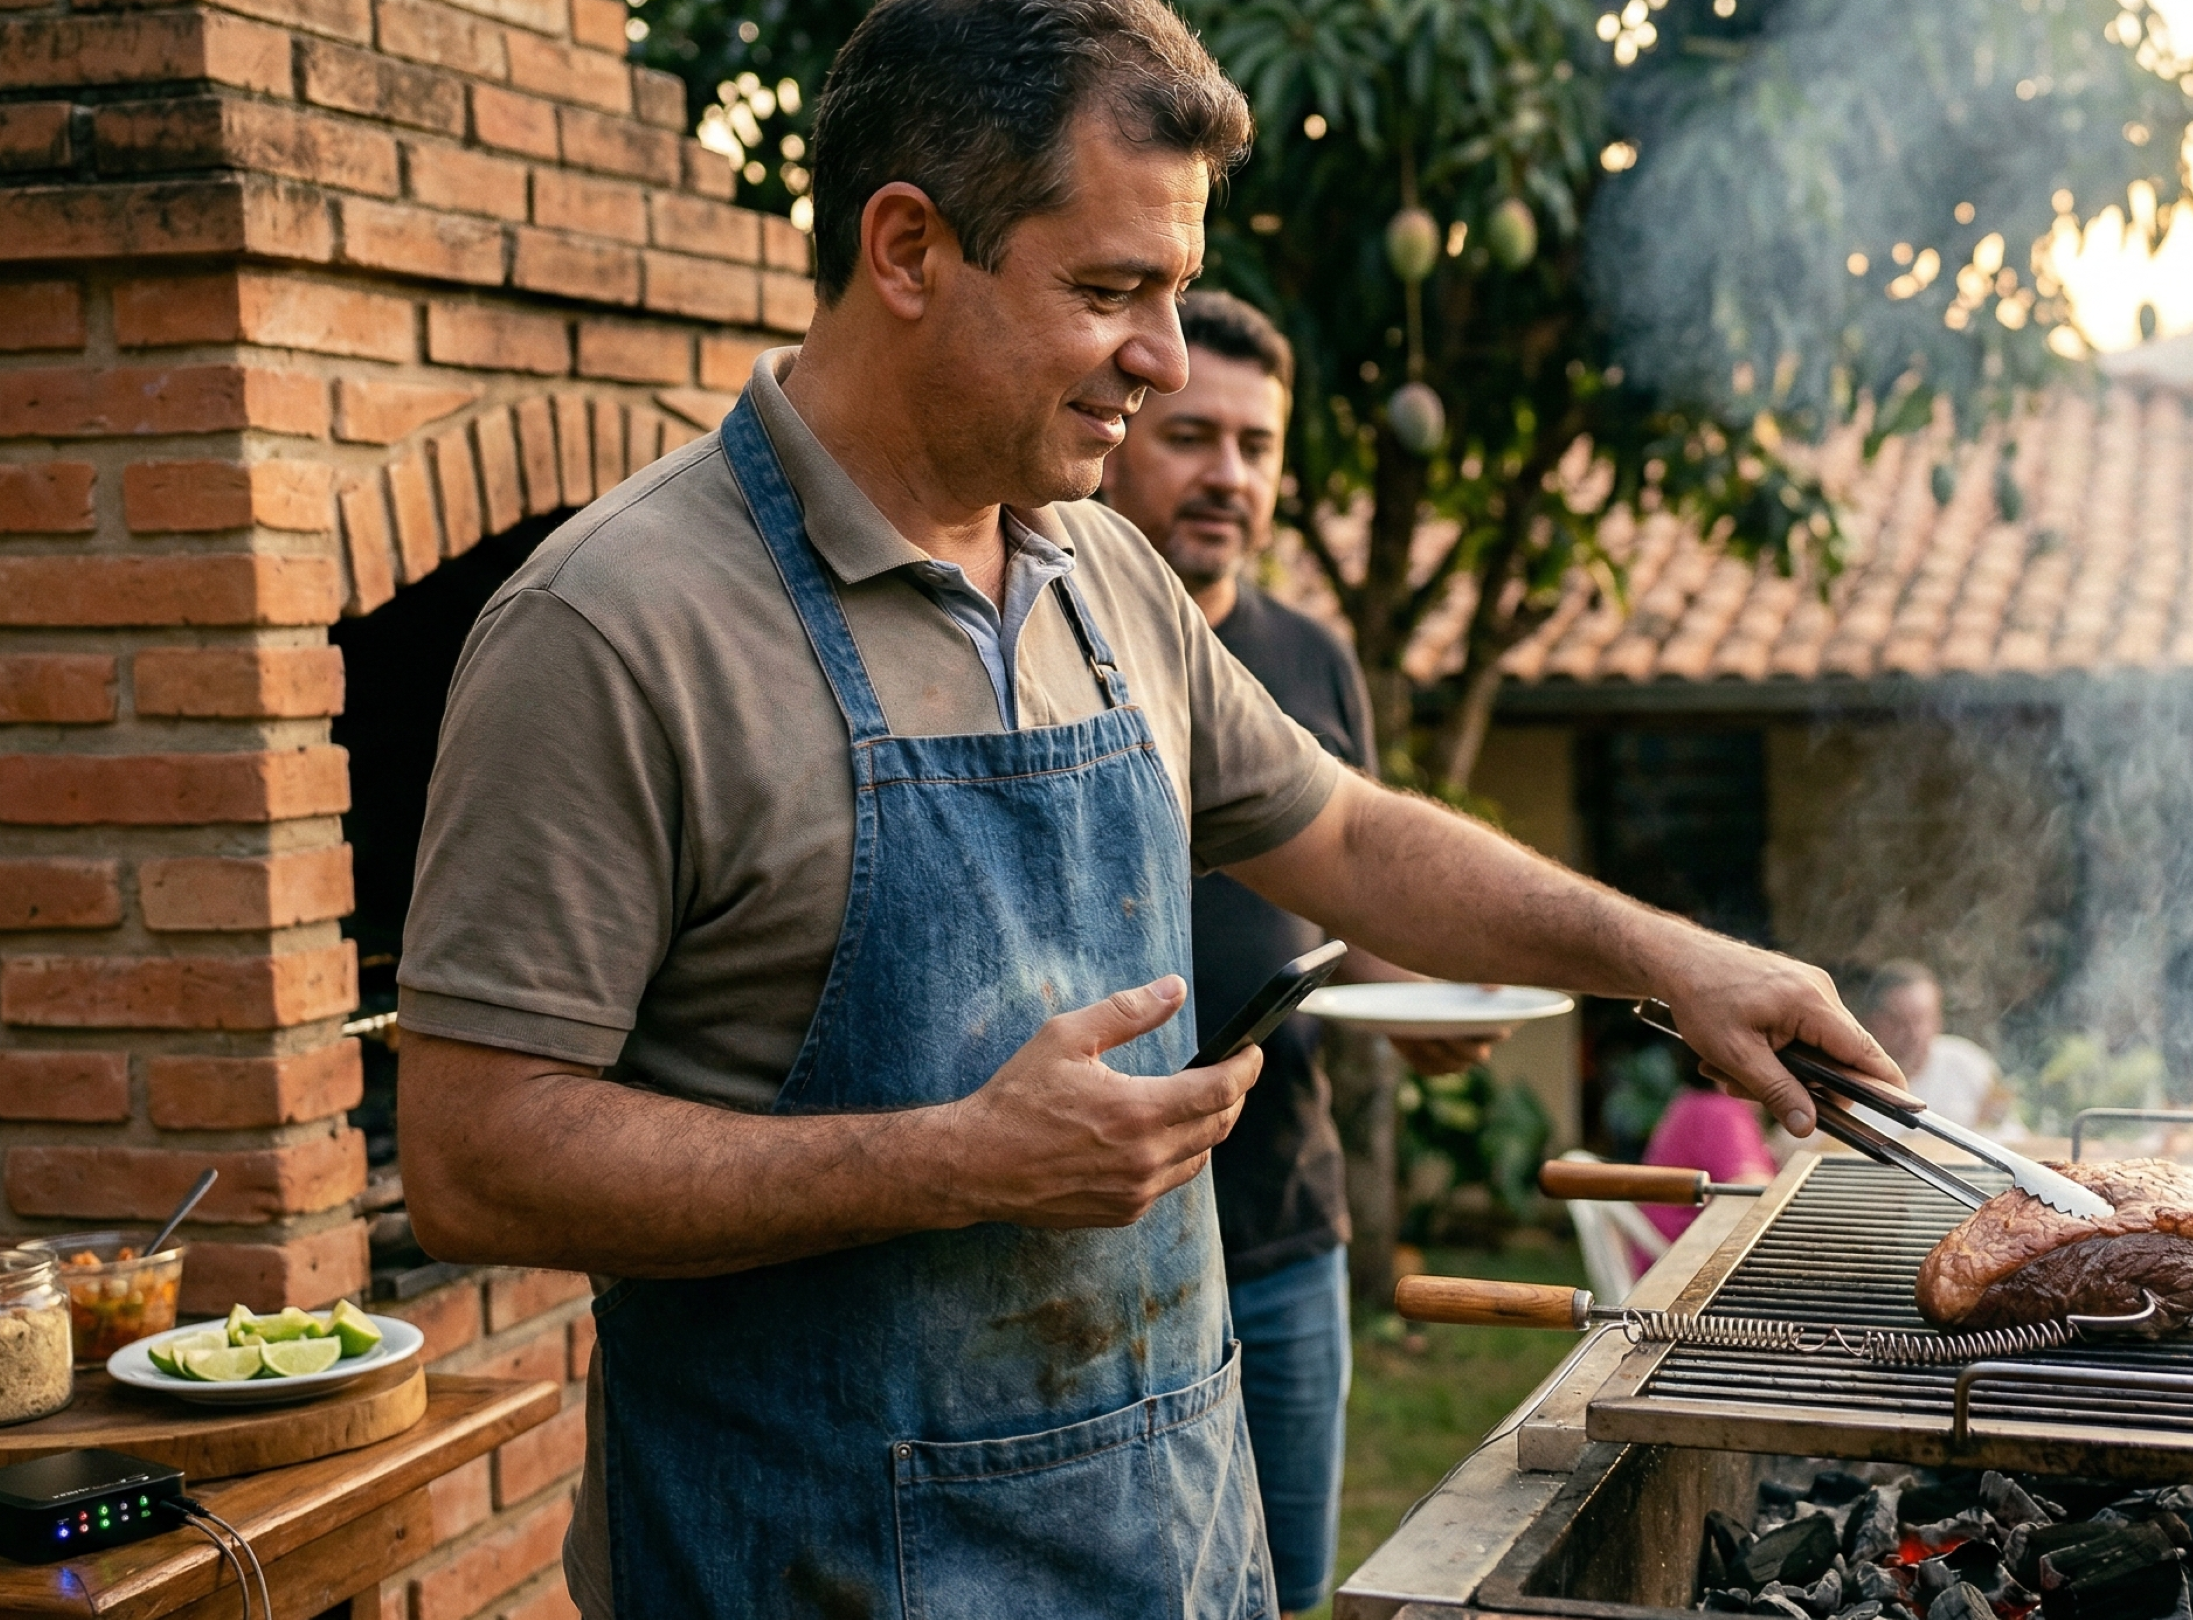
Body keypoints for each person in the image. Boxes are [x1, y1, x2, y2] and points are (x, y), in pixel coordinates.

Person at [389, 1, 1905, 1613]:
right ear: (906, 249)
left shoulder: (1102, 568)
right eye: (1109, 292)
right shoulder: (614, 626)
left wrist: (1672, 961)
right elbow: (476, 1157)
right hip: (810, 1566)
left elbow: (1344, 834)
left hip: (1166, 1542)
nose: (1165, 358)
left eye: (1174, 293)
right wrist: (950, 1163)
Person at [1096, 289, 1489, 1617]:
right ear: (1121, 432)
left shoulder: (1311, 658)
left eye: (1257, 446)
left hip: (1281, 1230)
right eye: (1192, 436)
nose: (1229, 475)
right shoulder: (1055, 643)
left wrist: (1426, 1005)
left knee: (1289, 1590)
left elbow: (1348, 897)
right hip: (1093, 1243)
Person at [1638, 1067, 1778, 1244]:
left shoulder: (1692, 1100)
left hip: (1662, 1246)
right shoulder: (1720, 1112)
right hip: (1684, 1250)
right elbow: (1754, 1193)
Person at [1859, 959, 2006, 1128]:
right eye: (1897, 1020)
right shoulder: (1855, 1084)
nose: (1912, 1034)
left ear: (1938, 1020)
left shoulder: (1969, 1066)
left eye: (1920, 1019)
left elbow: (2009, 1134)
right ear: (1872, 1022)